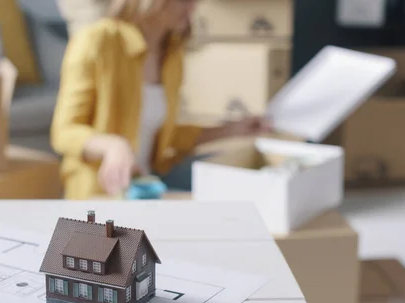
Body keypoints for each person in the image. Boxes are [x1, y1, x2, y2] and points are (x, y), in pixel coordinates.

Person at [51, 0, 271, 200]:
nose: (193, 8)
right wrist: (113, 146)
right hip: (102, 194)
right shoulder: (97, 40)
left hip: (148, 187)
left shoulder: (172, 53)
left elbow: (164, 135)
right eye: (185, 1)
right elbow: (64, 132)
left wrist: (232, 129)